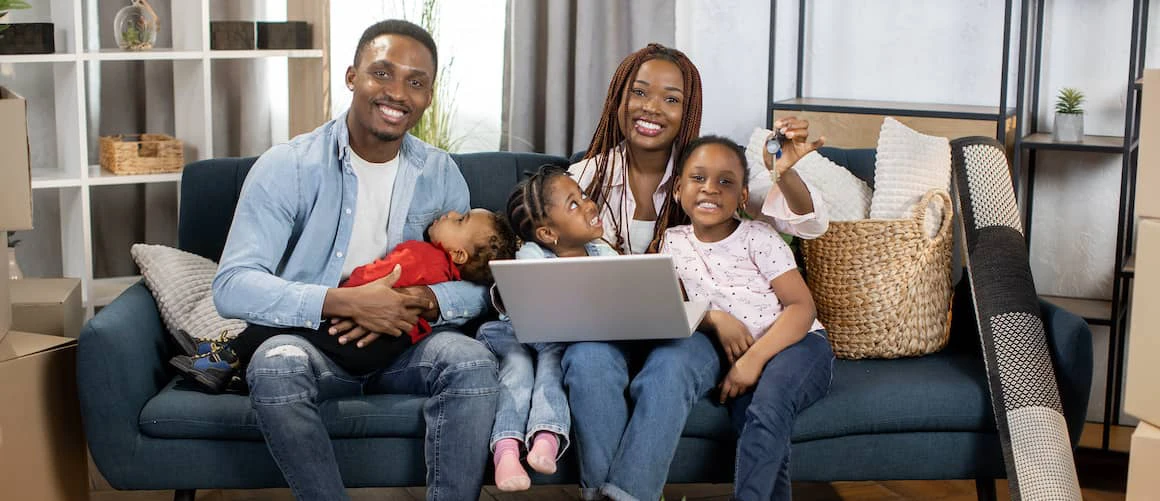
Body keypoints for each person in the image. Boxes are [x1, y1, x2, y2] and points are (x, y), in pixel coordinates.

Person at [211, 20, 498, 500]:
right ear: (351, 77)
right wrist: (342, 301)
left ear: (427, 97)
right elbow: (232, 285)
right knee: (274, 367)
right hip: (316, 344)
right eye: (382, 74)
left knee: (471, 362)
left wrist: (425, 298)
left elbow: (478, 284)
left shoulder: (442, 173)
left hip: (407, 346)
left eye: (415, 82)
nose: (397, 93)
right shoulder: (288, 167)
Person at [561, 43, 830, 501]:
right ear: (618, 98)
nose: (652, 108)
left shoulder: (708, 170)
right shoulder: (585, 178)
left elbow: (807, 220)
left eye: (672, 98)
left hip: (683, 339)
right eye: (640, 92)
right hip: (614, 329)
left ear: (688, 111)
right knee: (586, 363)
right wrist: (713, 316)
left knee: (670, 366)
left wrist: (784, 171)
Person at [174, 209, 517, 392]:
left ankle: (221, 359)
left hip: (363, 339)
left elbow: (369, 284)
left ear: (458, 253)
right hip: (387, 347)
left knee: (290, 322)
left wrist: (346, 293)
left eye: (460, 220)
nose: (451, 213)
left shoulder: (422, 256)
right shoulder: (445, 273)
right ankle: (224, 358)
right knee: (294, 330)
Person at [661, 136, 833, 501]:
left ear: (742, 197)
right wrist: (712, 318)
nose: (710, 188)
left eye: (726, 181)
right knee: (754, 425)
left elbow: (802, 308)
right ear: (678, 189)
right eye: (698, 178)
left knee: (769, 408)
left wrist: (752, 360)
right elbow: (674, 308)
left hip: (797, 345)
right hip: (741, 357)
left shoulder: (759, 237)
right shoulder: (671, 243)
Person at [476, 166, 620, 491]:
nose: (588, 204)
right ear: (547, 234)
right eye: (573, 204)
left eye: (583, 195)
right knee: (518, 371)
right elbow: (523, 298)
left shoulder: (605, 253)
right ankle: (507, 449)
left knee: (554, 365)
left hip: (556, 341)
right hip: (514, 336)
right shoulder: (532, 254)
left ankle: (545, 436)